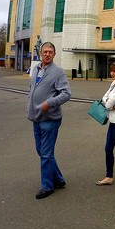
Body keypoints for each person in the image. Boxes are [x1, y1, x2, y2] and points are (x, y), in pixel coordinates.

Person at [27, 42, 71, 199]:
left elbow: (66, 93)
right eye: (45, 51)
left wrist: (48, 103)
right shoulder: (36, 69)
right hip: (36, 118)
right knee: (42, 151)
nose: (47, 54)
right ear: (40, 53)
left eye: (50, 52)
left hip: (50, 119)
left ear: (54, 54)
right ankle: (58, 179)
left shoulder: (58, 72)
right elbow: (32, 89)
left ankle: (47, 186)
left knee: (45, 153)